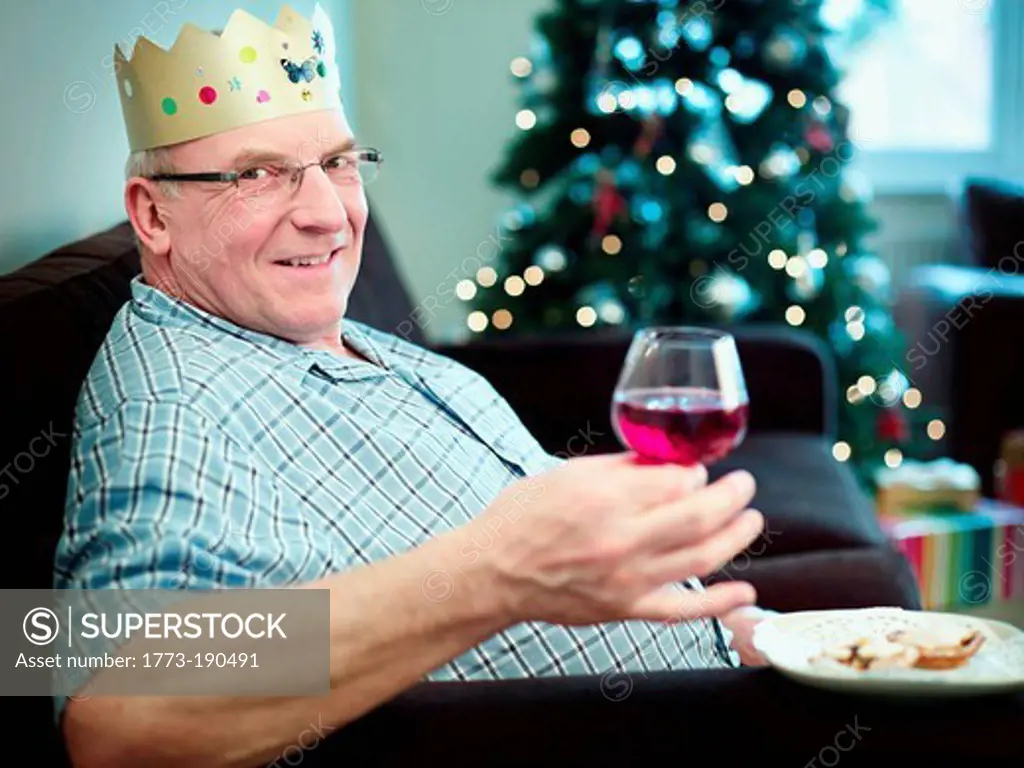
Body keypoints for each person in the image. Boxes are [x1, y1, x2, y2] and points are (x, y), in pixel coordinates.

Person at [54, 5, 773, 766]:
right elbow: (116, 715)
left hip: (744, 675)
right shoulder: (174, 406)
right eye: (258, 176)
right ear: (151, 214)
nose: (328, 216)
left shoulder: (324, 336)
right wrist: (496, 571)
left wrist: (744, 637)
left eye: (337, 164)